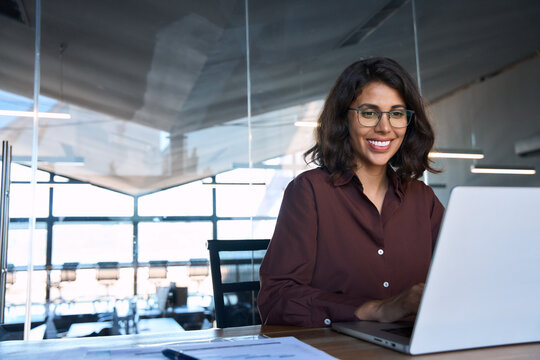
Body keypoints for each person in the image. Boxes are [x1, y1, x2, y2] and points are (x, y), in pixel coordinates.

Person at [257, 57, 444, 327]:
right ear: (344, 118)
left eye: (397, 113)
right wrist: (374, 309)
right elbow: (276, 300)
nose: (384, 127)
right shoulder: (309, 192)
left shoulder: (423, 200)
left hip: (415, 347)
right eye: (369, 113)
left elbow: (458, 278)